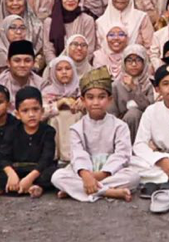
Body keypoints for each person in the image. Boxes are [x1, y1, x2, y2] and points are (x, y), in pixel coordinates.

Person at [50, 67, 140, 202]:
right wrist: (86, 175)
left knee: (134, 176)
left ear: (109, 99)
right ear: (83, 100)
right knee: (57, 176)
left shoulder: (120, 126)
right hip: (84, 172)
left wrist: (100, 175)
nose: (96, 102)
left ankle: (78, 190)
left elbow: (122, 155)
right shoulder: (77, 128)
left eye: (101, 97)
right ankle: (108, 192)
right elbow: (78, 155)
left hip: (110, 172)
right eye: (90, 98)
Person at [0, 86, 58, 198]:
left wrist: (30, 178)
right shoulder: (12, 130)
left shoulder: (48, 131)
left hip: (38, 170)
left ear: (42, 111)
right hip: (17, 168)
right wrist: (11, 174)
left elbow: (46, 159)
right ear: (17, 114)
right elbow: (3, 157)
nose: (31, 115)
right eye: (25, 111)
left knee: (55, 173)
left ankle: (13, 189)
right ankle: (30, 187)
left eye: (35, 109)